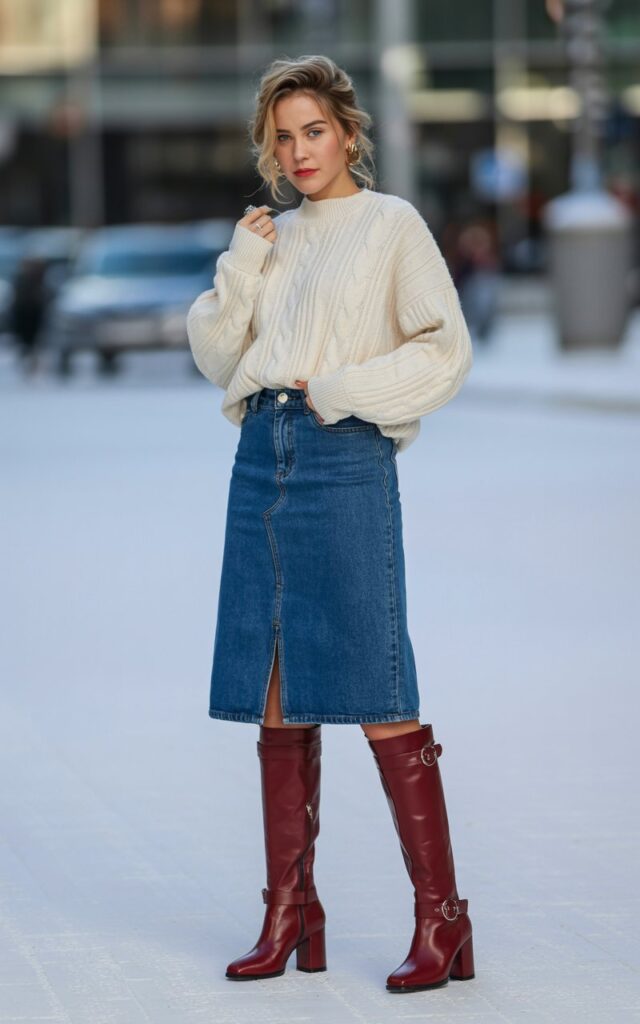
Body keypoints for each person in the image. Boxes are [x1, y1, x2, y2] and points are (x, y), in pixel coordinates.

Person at [186, 55, 475, 993]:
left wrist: (346, 390)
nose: (300, 150)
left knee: (375, 676)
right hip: (260, 456)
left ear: (349, 133)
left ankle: (443, 920)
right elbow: (216, 351)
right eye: (283, 136)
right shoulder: (270, 238)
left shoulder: (392, 225)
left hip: (344, 453)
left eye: (315, 130)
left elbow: (445, 347)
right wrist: (242, 264)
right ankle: (290, 910)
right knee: (275, 684)